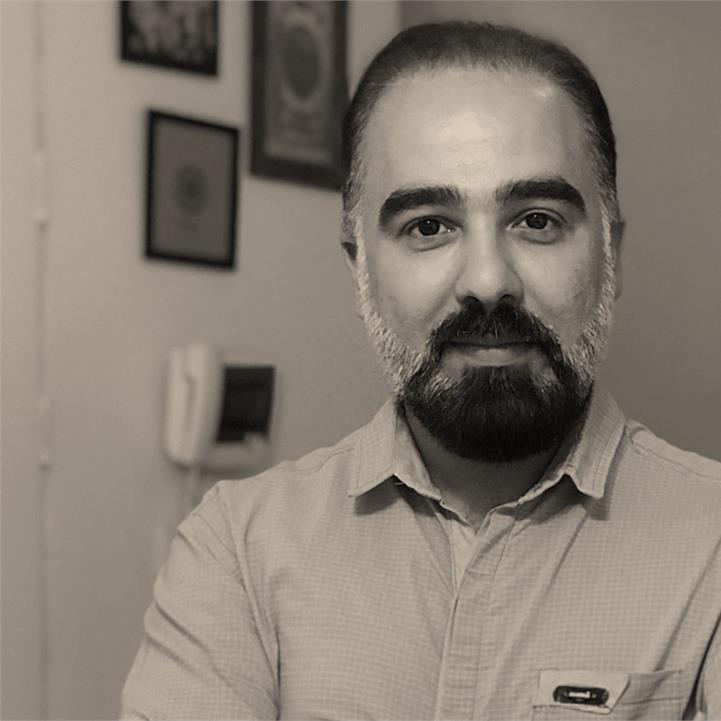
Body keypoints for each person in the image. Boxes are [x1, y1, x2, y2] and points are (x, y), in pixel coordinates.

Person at [121, 21, 721, 720]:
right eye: (429, 226)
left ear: (610, 256)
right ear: (361, 271)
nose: (488, 281)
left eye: (536, 219)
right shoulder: (237, 551)